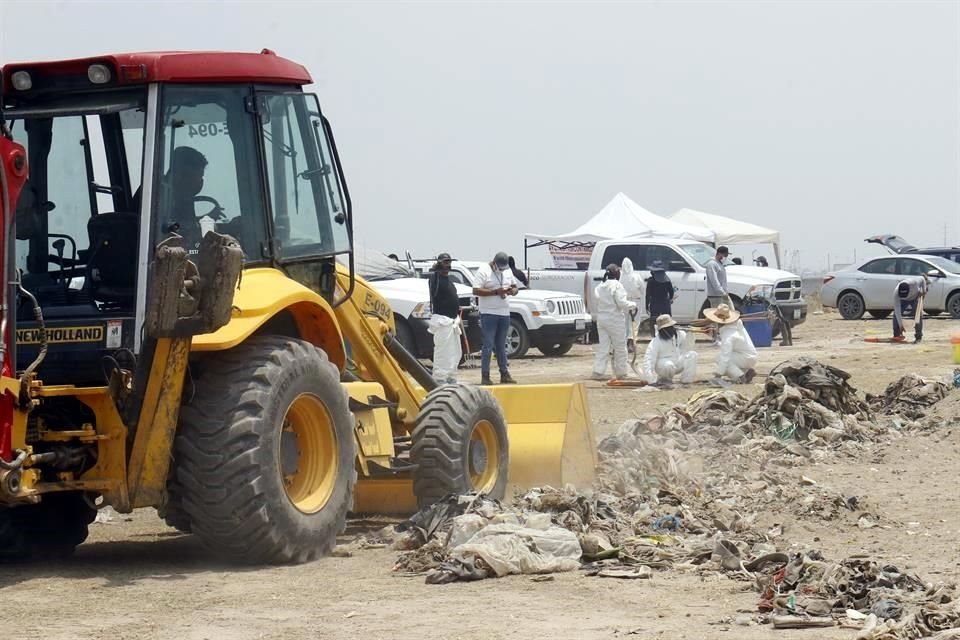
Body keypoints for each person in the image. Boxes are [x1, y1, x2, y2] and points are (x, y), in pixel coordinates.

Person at [473, 251, 520, 385]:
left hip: (504, 312)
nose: (501, 270)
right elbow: (475, 290)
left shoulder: (507, 270)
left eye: (503, 268)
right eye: (499, 267)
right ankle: (485, 375)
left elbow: (515, 287)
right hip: (488, 313)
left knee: (501, 344)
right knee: (488, 344)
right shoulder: (484, 270)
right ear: (493, 263)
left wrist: (512, 291)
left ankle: (504, 374)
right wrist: (495, 292)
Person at [592, 264, 637, 380]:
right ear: (617, 273)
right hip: (615, 319)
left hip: (601, 319)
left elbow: (597, 298)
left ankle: (598, 371)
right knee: (620, 346)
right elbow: (621, 303)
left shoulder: (600, 286)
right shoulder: (617, 286)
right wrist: (633, 305)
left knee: (603, 347)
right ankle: (621, 372)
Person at [427, 252, 462, 384]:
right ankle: (440, 380)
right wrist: (438, 267)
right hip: (442, 322)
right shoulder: (435, 279)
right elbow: (433, 283)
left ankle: (451, 378)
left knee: (454, 353)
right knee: (443, 354)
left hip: (452, 321)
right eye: (445, 262)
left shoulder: (449, 280)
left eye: (449, 262)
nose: (448, 265)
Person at [705, 303, 757, 384]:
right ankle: (746, 371)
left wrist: (718, 375)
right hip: (749, 355)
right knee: (725, 361)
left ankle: (741, 377)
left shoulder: (728, 335)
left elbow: (725, 356)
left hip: (745, 357)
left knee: (720, 359)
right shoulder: (736, 325)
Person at [641, 315, 698, 386]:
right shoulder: (655, 342)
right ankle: (665, 381)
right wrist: (650, 380)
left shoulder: (680, 334)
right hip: (663, 366)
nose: (669, 330)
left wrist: (690, 334)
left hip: (677, 362)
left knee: (692, 354)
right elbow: (648, 360)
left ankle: (686, 381)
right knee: (668, 365)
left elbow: (687, 348)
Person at [893, 275, 928, 343]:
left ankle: (918, 336)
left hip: (914, 298)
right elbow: (897, 310)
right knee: (895, 315)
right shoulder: (896, 293)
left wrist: (924, 291)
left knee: (918, 315)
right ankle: (897, 335)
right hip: (902, 301)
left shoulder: (914, 283)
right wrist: (901, 325)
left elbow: (922, 278)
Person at [620, 257, 645, 352]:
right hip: (635, 302)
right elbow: (642, 289)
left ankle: (626, 341)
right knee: (635, 322)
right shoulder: (636, 276)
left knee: (625, 322)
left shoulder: (620, 277)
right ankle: (631, 341)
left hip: (624, 302)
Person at [645, 260, 675, 336]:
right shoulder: (667, 280)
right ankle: (667, 337)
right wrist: (670, 299)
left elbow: (648, 295)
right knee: (667, 323)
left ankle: (654, 338)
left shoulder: (651, 281)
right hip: (665, 305)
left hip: (654, 305)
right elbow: (671, 292)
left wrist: (646, 306)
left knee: (654, 324)